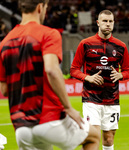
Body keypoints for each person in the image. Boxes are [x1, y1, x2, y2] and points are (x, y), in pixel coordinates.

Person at [0, 0, 100, 149]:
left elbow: (5, 90)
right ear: (40, 7)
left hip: (21, 128)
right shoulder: (48, 34)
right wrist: (68, 107)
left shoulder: (5, 43)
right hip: (48, 119)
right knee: (94, 137)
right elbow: (51, 70)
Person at [70, 10, 129, 150]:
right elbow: (74, 69)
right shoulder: (86, 44)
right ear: (98, 23)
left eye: (110, 21)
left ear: (114, 23)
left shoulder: (121, 46)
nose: (108, 24)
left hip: (112, 99)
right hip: (91, 99)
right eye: (105, 21)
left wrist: (121, 75)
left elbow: (128, 70)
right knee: (93, 136)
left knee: (109, 139)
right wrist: (88, 78)